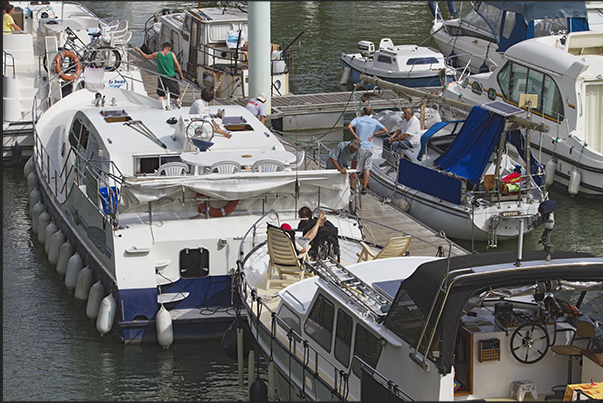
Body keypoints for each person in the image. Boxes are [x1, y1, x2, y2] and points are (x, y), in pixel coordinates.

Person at [347, 106, 387, 194]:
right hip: (369, 147)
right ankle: (364, 188)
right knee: (367, 168)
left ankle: (352, 187)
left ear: (364, 112)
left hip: (359, 147)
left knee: (354, 168)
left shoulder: (358, 119)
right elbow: (385, 130)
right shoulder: (374, 121)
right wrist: (374, 134)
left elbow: (349, 126)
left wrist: (355, 136)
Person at [134, 42, 183, 108]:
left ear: (163, 47)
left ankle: (160, 106)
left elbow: (146, 57)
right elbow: (177, 65)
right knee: (176, 95)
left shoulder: (157, 54)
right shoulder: (172, 54)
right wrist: (181, 74)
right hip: (171, 77)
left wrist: (139, 50)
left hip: (161, 77)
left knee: (161, 95)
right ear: (169, 48)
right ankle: (178, 106)